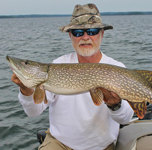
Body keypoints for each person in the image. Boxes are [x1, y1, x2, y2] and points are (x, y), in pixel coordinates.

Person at [11, 3, 133, 150]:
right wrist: (26, 91)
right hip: (59, 144)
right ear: (70, 35)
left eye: (92, 31)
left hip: (100, 147)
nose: (85, 37)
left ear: (102, 34)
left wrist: (115, 105)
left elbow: (125, 118)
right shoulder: (58, 65)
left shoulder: (117, 68)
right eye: (78, 32)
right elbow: (33, 112)